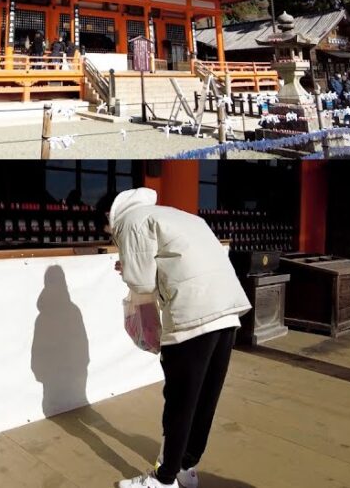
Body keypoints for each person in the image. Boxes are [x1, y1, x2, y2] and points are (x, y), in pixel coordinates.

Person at [101, 188, 252, 488]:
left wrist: (127, 270)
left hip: (193, 316)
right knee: (206, 397)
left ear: (110, 217)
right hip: (227, 310)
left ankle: (164, 478)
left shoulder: (130, 222)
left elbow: (141, 280)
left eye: (108, 233)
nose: (111, 237)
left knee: (180, 401)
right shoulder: (178, 215)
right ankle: (186, 467)